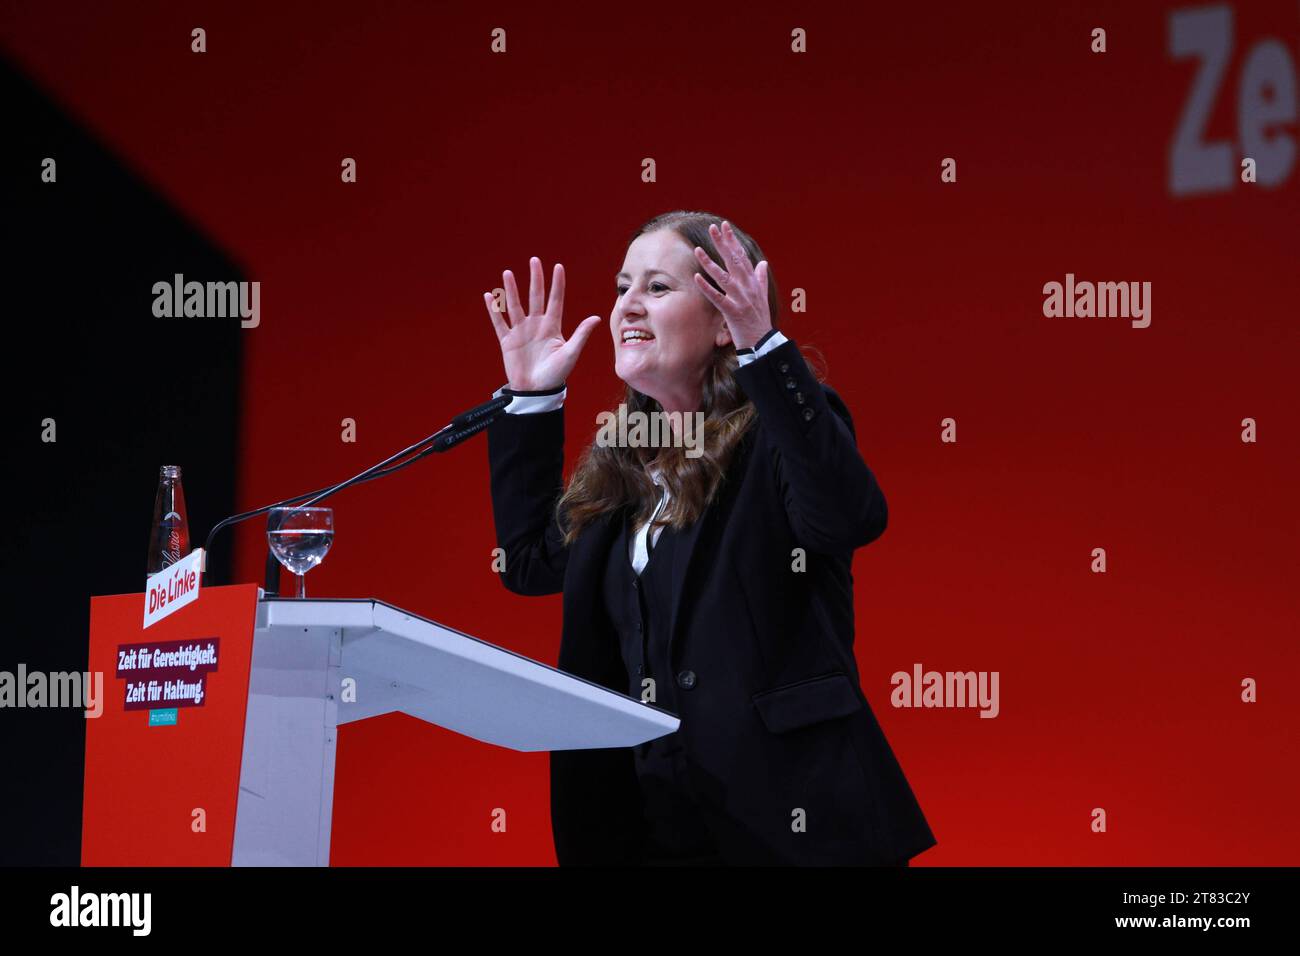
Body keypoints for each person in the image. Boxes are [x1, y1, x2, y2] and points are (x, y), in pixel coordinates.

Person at [483, 210, 936, 866]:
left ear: (725, 321)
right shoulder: (624, 460)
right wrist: (531, 400)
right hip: (649, 832)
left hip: (793, 829)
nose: (627, 306)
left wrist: (767, 353)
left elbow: (849, 516)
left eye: (658, 288)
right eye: (620, 287)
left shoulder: (778, 436)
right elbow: (526, 563)